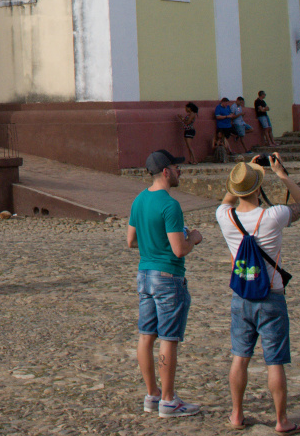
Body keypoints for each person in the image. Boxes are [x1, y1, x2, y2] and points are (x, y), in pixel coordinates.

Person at [215, 156, 300, 434]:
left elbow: (227, 200)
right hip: (271, 295)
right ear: (259, 188)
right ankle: (281, 421)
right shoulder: (274, 216)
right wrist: (280, 174)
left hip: (241, 296)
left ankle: (236, 414)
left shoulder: (224, 217)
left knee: (239, 357)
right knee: (275, 361)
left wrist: (243, 171)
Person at [128, 150, 202, 419]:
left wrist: (152, 242)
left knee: (146, 336)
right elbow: (179, 249)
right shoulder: (170, 205)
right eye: (177, 167)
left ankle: (152, 394)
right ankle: (169, 400)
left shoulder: (139, 201)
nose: (180, 171)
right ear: (167, 172)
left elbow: (131, 240)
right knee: (169, 338)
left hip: (144, 274)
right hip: (168, 277)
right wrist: (194, 237)